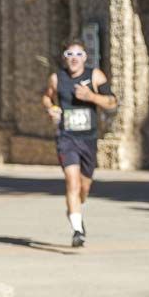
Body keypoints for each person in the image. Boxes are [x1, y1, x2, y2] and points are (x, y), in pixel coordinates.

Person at [41, 37, 117, 247]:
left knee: (83, 188)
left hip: (88, 140)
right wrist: (51, 108)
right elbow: (47, 97)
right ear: (64, 58)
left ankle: (75, 211)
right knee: (71, 183)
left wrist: (91, 96)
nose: (74, 59)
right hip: (66, 138)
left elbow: (112, 102)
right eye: (70, 54)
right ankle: (77, 230)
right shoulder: (57, 78)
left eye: (79, 54)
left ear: (85, 57)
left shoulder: (94, 76)